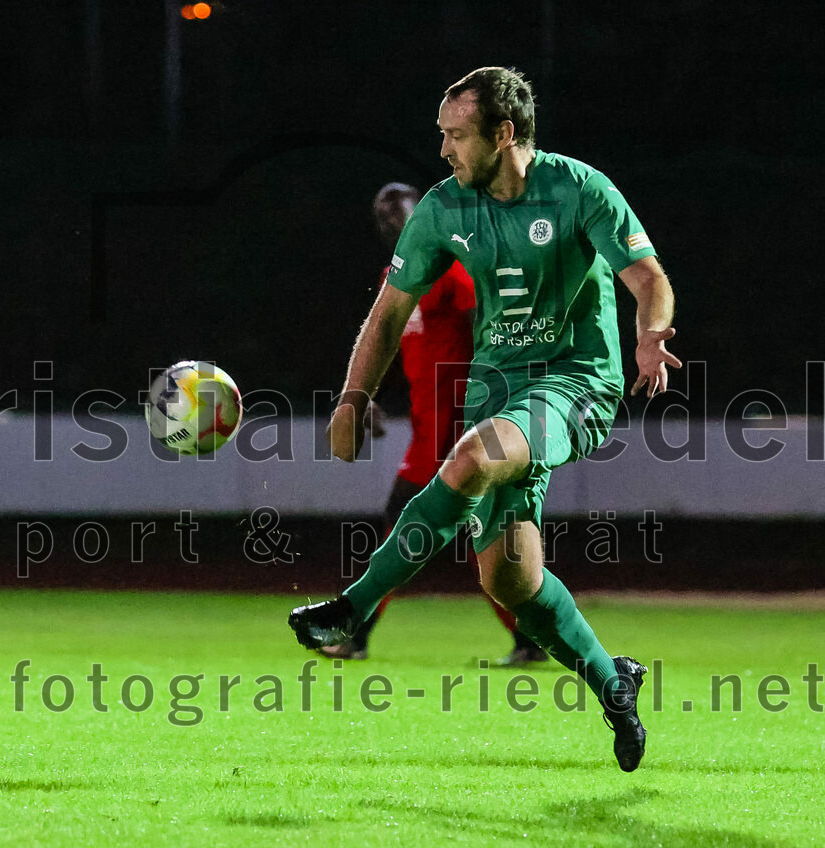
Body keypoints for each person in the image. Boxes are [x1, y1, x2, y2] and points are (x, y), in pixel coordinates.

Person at [290, 66, 681, 772]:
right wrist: (353, 394)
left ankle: (354, 604)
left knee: (468, 460)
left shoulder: (579, 189)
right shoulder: (442, 208)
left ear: (503, 134)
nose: (443, 150)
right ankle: (612, 680)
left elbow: (648, 277)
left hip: (575, 382)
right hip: (495, 392)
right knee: (509, 581)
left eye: (456, 135)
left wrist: (650, 333)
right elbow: (389, 313)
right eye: (442, 134)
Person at [319, 182, 546, 666]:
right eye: (383, 216)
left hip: (460, 429)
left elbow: (491, 321)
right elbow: (386, 341)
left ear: (422, 212)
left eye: (400, 210)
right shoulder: (396, 278)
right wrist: (365, 398)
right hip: (428, 428)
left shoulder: (450, 268)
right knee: (475, 540)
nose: (392, 221)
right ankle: (533, 637)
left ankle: (354, 633)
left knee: (402, 527)